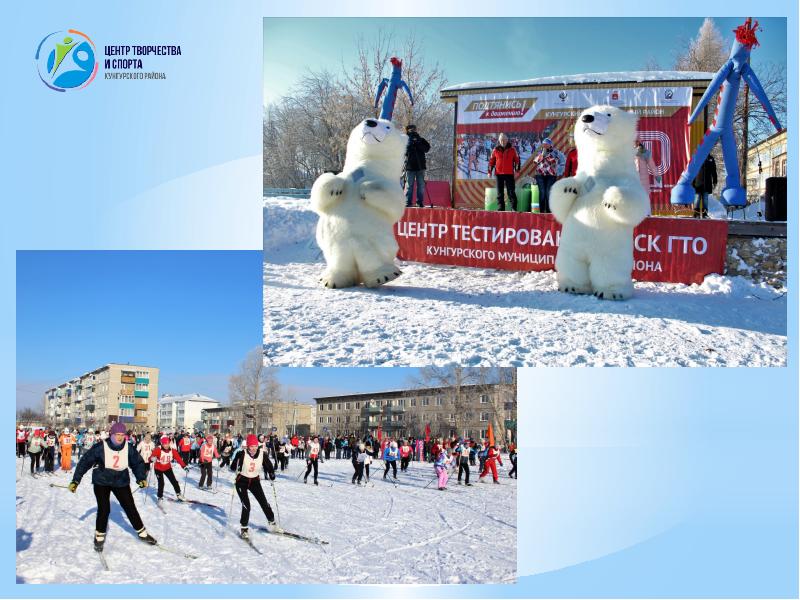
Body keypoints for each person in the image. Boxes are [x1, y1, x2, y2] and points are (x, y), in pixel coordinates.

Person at [69, 422, 156, 550]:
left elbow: (137, 463)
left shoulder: (128, 447)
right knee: (104, 509)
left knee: (130, 507)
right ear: (112, 434)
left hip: (121, 481)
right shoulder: (100, 447)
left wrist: (141, 478)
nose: (120, 438)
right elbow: (85, 462)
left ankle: (142, 532)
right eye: (117, 435)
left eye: (122, 435)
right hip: (101, 481)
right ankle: (99, 535)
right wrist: (76, 480)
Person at [230, 434, 277, 540]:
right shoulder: (242, 454)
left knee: (263, 502)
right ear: (247, 446)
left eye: (255, 446)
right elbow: (233, 467)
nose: (253, 449)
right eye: (251, 446)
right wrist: (235, 465)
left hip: (254, 480)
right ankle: (244, 529)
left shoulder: (262, 454)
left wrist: (271, 473)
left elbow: (268, 465)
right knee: (246, 505)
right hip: (241, 481)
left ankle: (272, 522)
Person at [488, 133, 521, 211]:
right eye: (501, 140)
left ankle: (513, 208)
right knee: (500, 193)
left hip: (509, 174)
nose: (503, 141)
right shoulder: (495, 150)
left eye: (504, 140)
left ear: (507, 140)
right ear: (499, 141)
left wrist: (517, 170)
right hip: (498, 174)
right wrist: (489, 171)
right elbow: (491, 162)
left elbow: (517, 160)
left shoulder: (512, 149)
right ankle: (501, 208)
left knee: (511, 191)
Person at [150, 436, 188, 502]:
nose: (166, 445)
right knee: (161, 483)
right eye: (164, 444)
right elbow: (151, 457)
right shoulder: (158, 449)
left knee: (174, 481)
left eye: (167, 443)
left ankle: (179, 494)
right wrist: (152, 459)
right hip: (158, 468)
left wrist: (184, 466)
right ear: (162, 444)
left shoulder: (173, 450)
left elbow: (178, 458)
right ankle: (160, 497)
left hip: (167, 468)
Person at [404, 124, 431, 208]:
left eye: (414, 129)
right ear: (407, 131)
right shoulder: (405, 140)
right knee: (409, 185)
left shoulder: (421, 139)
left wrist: (418, 143)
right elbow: (403, 152)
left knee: (421, 185)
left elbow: (427, 149)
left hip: (420, 166)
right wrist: (410, 144)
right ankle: (408, 202)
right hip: (410, 166)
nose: (413, 131)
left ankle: (419, 202)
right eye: (411, 130)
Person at [533, 138, 559, 213]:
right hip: (540, 175)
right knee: (542, 192)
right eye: (544, 144)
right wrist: (542, 155)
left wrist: (548, 155)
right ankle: (541, 211)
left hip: (551, 175)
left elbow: (555, 162)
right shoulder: (540, 152)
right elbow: (535, 161)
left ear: (550, 145)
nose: (545, 145)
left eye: (547, 144)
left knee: (548, 192)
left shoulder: (555, 152)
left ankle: (548, 211)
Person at [634, 141, 660, 212]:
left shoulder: (645, 152)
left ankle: (647, 214)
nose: (634, 142)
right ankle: (635, 214)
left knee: (645, 197)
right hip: (633, 178)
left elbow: (652, 165)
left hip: (643, 179)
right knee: (634, 197)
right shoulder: (628, 151)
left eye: (636, 141)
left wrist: (657, 175)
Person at [693, 154, 718, 219]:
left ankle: (705, 214)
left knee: (705, 200)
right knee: (697, 199)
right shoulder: (697, 156)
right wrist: (692, 182)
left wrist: (715, 181)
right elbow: (692, 170)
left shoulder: (711, 158)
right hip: (697, 183)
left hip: (707, 183)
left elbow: (714, 170)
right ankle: (696, 214)